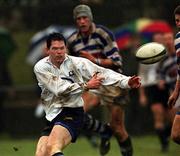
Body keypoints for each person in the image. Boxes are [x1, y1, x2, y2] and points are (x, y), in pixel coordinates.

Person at [34, 32, 141, 156]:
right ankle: (104, 130)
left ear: (66, 48)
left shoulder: (77, 63)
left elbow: (103, 73)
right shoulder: (41, 67)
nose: (59, 52)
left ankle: (104, 131)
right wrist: (86, 85)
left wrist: (126, 81)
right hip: (52, 116)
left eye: (62, 48)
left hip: (71, 113)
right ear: (48, 50)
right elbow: (58, 88)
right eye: (55, 49)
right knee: (41, 154)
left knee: (53, 147)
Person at [68, 4, 133, 156]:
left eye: (84, 18)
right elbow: (70, 66)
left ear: (90, 18)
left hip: (113, 83)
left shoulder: (103, 34)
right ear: (75, 21)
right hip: (93, 85)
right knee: (76, 111)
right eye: (78, 19)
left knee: (118, 128)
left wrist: (94, 60)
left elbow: (117, 61)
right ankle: (103, 131)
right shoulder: (72, 41)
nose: (82, 21)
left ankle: (122, 147)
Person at [138, 32, 172, 152]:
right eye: (156, 39)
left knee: (171, 117)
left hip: (167, 86)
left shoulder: (169, 54)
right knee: (158, 114)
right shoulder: (146, 55)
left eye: (161, 39)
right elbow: (141, 75)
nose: (159, 41)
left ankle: (166, 135)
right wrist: (142, 95)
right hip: (152, 87)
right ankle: (164, 145)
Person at [168, 5, 180, 145]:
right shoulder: (177, 38)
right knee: (176, 134)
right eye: (176, 20)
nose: (179, 23)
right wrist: (176, 92)